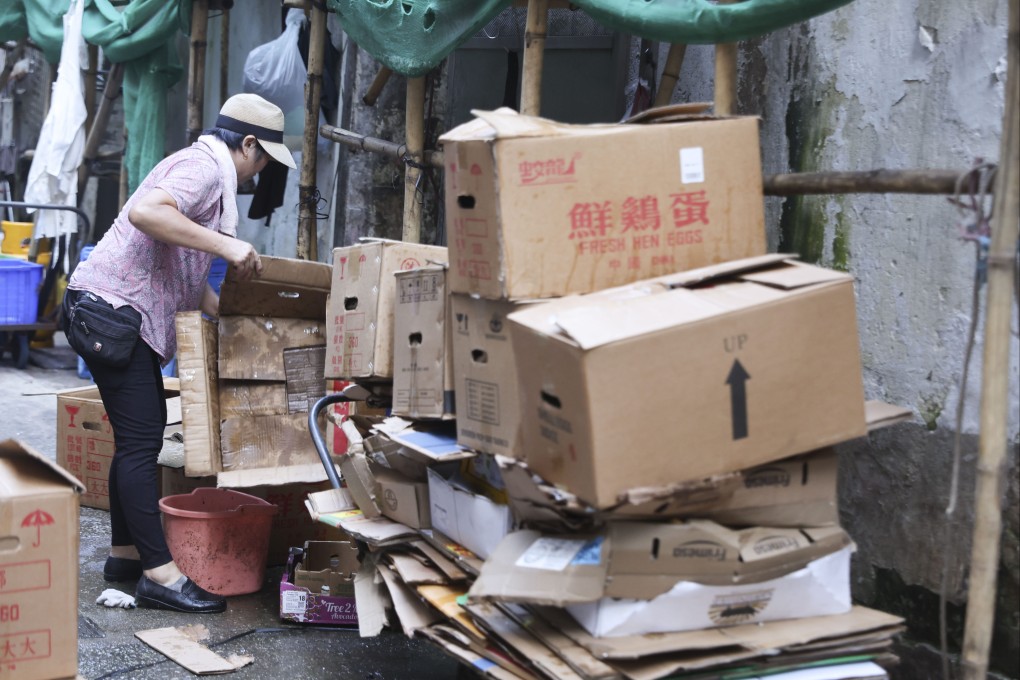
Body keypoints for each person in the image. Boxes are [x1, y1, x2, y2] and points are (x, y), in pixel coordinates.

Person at [63, 93, 296, 613]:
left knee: (133, 443)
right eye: (263, 161)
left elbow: (189, 282)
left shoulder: (206, 174)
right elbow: (146, 212)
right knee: (144, 445)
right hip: (113, 313)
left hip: (117, 315)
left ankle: (125, 558)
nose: (260, 174)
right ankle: (160, 576)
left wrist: (237, 319)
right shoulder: (204, 169)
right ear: (250, 144)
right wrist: (226, 247)